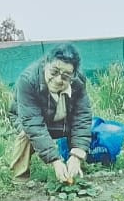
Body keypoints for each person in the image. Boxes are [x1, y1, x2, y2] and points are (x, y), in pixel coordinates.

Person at [9, 44, 93, 184]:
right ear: (45, 64)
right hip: (29, 119)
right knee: (26, 133)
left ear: (73, 74)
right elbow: (33, 124)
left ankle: (74, 169)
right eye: (54, 71)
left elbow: (82, 117)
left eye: (66, 76)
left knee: (81, 130)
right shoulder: (28, 80)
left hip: (61, 120)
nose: (58, 79)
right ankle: (20, 180)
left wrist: (77, 154)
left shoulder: (78, 82)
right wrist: (54, 160)